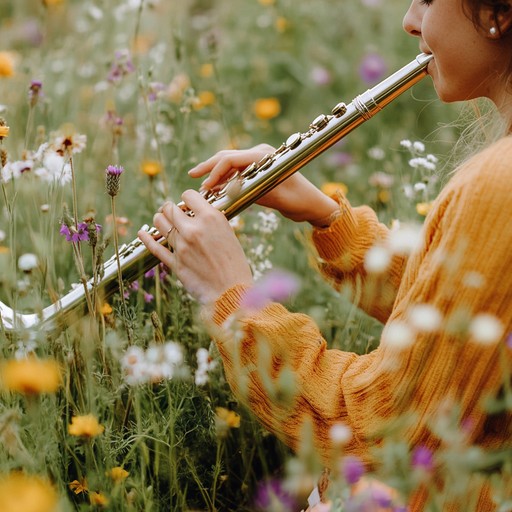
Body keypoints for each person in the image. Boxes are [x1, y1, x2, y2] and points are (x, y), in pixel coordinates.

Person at [138, 0, 512, 509]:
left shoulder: (499, 185)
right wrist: (331, 221)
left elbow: (379, 435)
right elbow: (461, 322)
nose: (410, 19)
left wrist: (234, 301)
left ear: (499, 12)